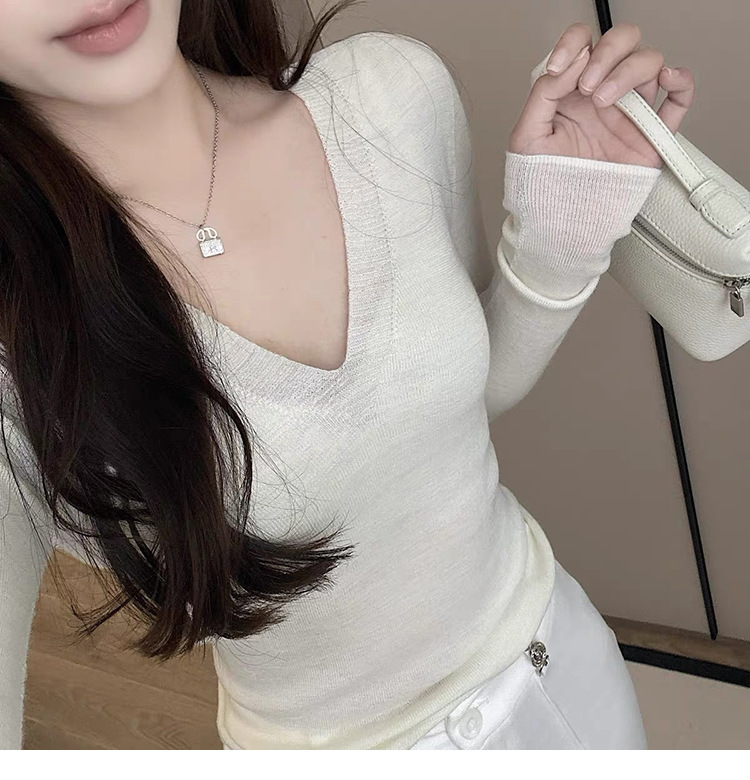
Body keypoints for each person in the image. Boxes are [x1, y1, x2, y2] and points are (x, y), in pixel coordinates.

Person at [0, 0, 694, 751]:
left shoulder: (388, 95)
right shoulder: (18, 332)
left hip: (558, 652)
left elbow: (460, 407)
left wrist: (557, 242)